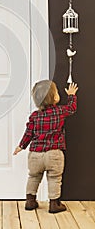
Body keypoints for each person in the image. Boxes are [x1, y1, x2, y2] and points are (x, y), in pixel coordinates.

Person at [13, 80, 78, 213]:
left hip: (36, 155)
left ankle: (30, 201)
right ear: (55, 97)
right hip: (54, 153)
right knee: (54, 178)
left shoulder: (34, 116)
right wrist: (71, 95)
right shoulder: (59, 111)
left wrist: (21, 146)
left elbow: (28, 133)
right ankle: (54, 204)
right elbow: (72, 108)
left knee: (33, 177)